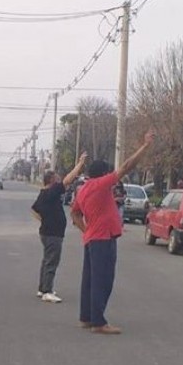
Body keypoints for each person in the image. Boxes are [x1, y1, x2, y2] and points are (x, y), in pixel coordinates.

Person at [70, 130, 155, 335]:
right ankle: (98, 322)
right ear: (102, 174)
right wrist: (145, 146)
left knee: (89, 280)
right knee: (103, 280)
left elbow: (74, 214)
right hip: (103, 239)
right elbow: (126, 166)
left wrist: (86, 230)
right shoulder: (100, 185)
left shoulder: (84, 189)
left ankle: (86, 317)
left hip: (92, 238)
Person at [31, 153, 87, 303]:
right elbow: (68, 180)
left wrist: (45, 220)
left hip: (46, 232)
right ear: (51, 180)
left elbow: (34, 210)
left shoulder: (43, 193)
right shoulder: (52, 191)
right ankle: (47, 292)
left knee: (46, 260)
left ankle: (42, 288)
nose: (58, 179)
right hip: (52, 234)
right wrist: (80, 164)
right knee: (51, 261)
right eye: (56, 177)